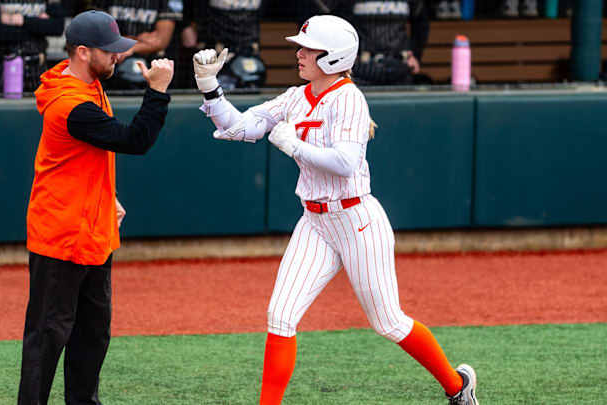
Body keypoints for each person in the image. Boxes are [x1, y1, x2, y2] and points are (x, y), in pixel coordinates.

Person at [192, 15, 478, 405]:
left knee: (389, 322)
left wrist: (293, 146)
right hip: (314, 221)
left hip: (357, 220)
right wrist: (210, 86)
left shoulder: (350, 98)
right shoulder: (296, 96)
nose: (300, 53)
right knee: (280, 316)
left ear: (333, 56)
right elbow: (241, 127)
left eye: (309, 48)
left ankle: (457, 388)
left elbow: (345, 162)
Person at [19, 10, 174, 405]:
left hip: (94, 231)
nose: (118, 57)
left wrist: (110, 195)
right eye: (110, 51)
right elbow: (133, 140)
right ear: (84, 53)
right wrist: (157, 91)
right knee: (47, 335)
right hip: (61, 236)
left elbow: (87, 155)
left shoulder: (87, 83)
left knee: (92, 335)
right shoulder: (70, 104)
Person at [297, 0, 429, 86]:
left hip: (400, 68)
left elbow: (421, 22)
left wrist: (415, 55)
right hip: (360, 70)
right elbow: (319, 14)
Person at [0, 0, 65, 95]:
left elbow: (57, 27)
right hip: (0, 67)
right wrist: (39, 25)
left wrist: (19, 20)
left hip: (36, 68)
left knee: (36, 108)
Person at [93, 0, 182, 90]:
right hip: (108, 56)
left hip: (150, 61)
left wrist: (129, 47)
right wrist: (137, 39)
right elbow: (96, 33)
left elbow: (160, 41)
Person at [182, 0, 266, 91]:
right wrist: (185, 25)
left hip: (247, 49)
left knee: (251, 83)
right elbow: (190, 10)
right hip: (216, 50)